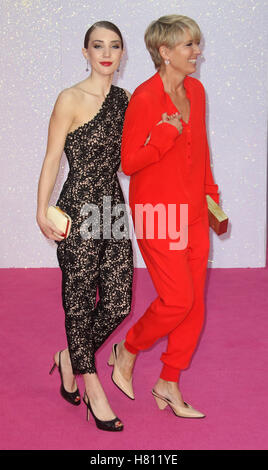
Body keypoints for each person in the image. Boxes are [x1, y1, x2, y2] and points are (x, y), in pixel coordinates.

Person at [108, 15, 219, 418]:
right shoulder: (145, 98)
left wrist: (211, 196)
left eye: (197, 43)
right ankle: (128, 348)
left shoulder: (197, 90)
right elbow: (128, 162)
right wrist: (164, 136)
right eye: (188, 45)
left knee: (195, 305)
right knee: (177, 300)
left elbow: (201, 149)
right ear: (164, 52)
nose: (196, 52)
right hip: (158, 214)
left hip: (194, 212)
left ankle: (169, 381)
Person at [37, 21, 133, 432]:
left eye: (114, 46)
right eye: (98, 45)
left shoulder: (124, 100)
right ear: (86, 52)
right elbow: (52, 159)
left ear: (121, 53)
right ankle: (92, 386)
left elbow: (131, 160)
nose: (106, 53)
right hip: (78, 209)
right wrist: (41, 210)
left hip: (112, 210)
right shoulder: (69, 98)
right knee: (78, 303)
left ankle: (68, 358)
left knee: (118, 302)